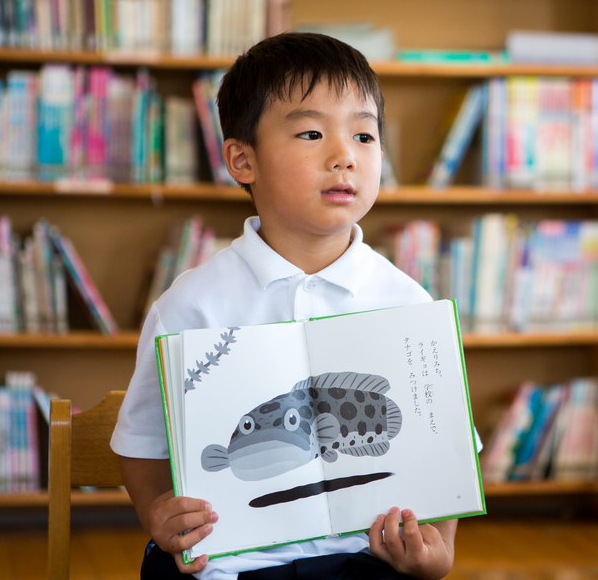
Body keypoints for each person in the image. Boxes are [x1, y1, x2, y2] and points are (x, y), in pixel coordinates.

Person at [111, 32, 458, 580]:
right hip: (225, 566)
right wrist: (157, 511)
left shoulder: (409, 304)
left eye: (364, 135)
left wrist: (437, 551)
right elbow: (141, 441)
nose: (345, 156)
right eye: (312, 133)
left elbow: (443, 452)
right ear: (242, 160)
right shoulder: (192, 305)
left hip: (366, 562)